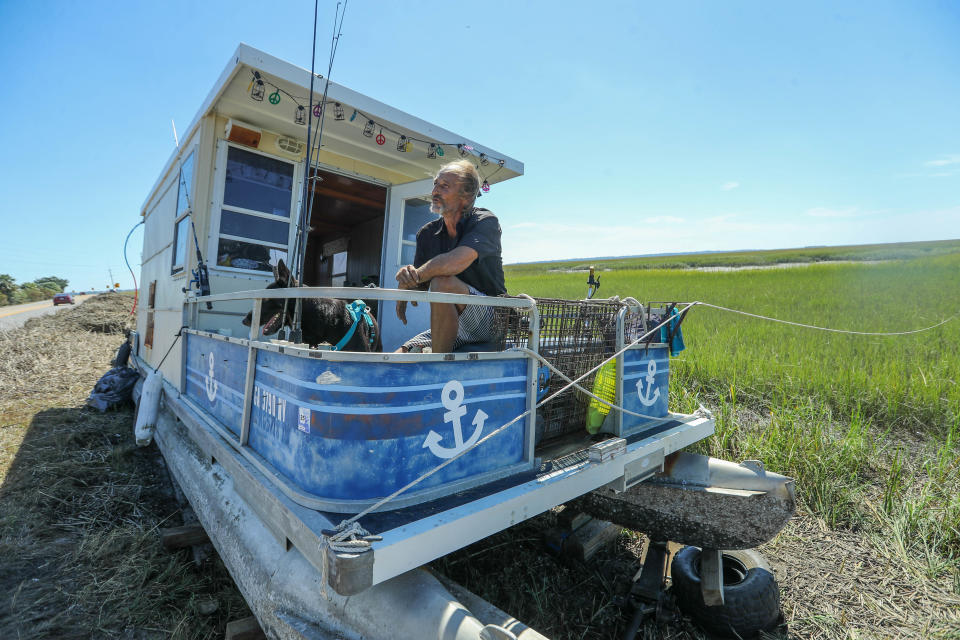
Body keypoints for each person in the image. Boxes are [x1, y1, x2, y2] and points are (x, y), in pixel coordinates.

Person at [395, 159, 506, 353]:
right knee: (400, 356)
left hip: (492, 320)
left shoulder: (485, 222)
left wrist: (417, 275)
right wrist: (406, 279)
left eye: (444, 186)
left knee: (442, 282)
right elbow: (419, 289)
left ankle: (438, 367)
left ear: (467, 195)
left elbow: (454, 263)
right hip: (457, 325)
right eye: (435, 184)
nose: (435, 191)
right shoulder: (426, 234)